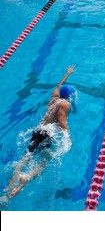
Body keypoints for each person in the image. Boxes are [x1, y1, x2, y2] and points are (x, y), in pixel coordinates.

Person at [3, 66, 76, 199]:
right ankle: (27, 178)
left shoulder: (54, 99)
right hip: (48, 133)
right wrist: (67, 136)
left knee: (25, 159)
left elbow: (58, 85)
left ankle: (6, 192)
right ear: (69, 96)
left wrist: (67, 74)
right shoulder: (65, 104)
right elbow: (61, 122)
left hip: (38, 130)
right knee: (44, 161)